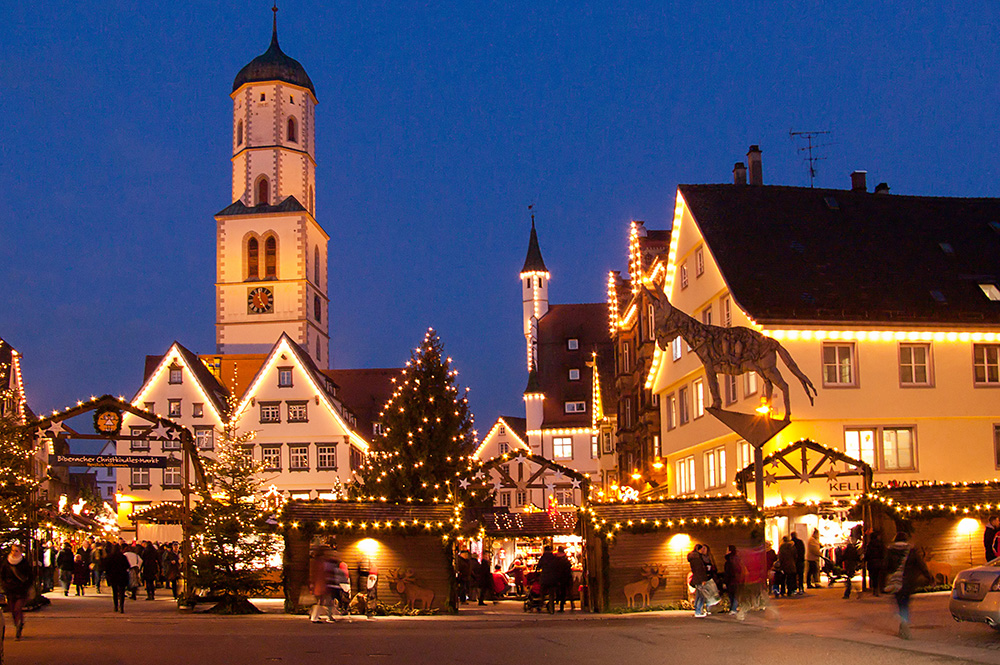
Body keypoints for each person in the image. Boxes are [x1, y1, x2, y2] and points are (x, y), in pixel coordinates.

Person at [885, 532, 931, 640]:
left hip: (895, 582)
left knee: (899, 602)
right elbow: (921, 564)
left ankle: (903, 621)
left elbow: (885, 566)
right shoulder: (911, 551)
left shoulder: (890, 551)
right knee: (905, 602)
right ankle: (904, 622)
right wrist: (928, 576)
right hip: (908, 582)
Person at [0, 543, 34, 640]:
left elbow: (30, 576)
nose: (14, 553)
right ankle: (18, 623)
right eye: (13, 550)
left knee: (17, 609)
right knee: (12, 610)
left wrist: (26, 586)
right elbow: (2, 575)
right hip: (10, 590)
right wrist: (4, 585)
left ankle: (18, 628)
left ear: (20, 552)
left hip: (21, 590)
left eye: (16, 551)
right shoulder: (6, 562)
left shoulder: (23, 563)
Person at [309, 544, 334, 623]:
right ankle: (315, 617)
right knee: (321, 601)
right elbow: (319, 573)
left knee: (322, 601)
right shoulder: (320, 561)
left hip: (320, 583)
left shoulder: (317, 561)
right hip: (321, 583)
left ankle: (315, 616)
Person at [104, 544, 130, 613]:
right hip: (122, 576)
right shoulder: (123, 557)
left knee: (114, 591)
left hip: (113, 576)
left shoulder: (109, 557)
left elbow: (106, 567)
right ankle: (122, 607)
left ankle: (115, 606)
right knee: (122, 592)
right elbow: (127, 566)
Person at [688, 544, 710, 617]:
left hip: (696, 578)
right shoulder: (697, 558)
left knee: (698, 594)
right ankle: (698, 612)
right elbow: (700, 570)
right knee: (701, 595)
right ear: (699, 549)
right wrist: (703, 579)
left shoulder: (693, 558)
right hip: (699, 578)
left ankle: (697, 610)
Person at [536, 545, 559, 612]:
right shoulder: (554, 558)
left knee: (542, 592)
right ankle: (551, 608)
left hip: (545, 577)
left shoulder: (543, 558)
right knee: (551, 593)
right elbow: (557, 567)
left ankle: (541, 605)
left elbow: (538, 567)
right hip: (553, 578)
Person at [865, 530, 885, 597]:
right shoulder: (880, 544)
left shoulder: (870, 545)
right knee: (879, 576)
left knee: (873, 577)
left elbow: (867, 554)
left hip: (871, 562)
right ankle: (879, 590)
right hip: (879, 562)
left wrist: (865, 560)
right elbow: (883, 553)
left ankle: (874, 590)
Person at [554, 546, 574, 611]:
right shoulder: (565, 559)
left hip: (560, 577)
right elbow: (569, 566)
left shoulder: (556, 559)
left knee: (562, 592)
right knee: (569, 591)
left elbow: (556, 568)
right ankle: (572, 603)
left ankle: (561, 605)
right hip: (567, 576)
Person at [723, 545, 741, 615]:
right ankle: (733, 608)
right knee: (735, 594)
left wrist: (725, 581)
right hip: (736, 579)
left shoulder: (729, 560)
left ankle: (733, 608)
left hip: (731, 580)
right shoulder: (737, 559)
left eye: (727, 550)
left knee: (732, 594)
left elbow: (728, 571)